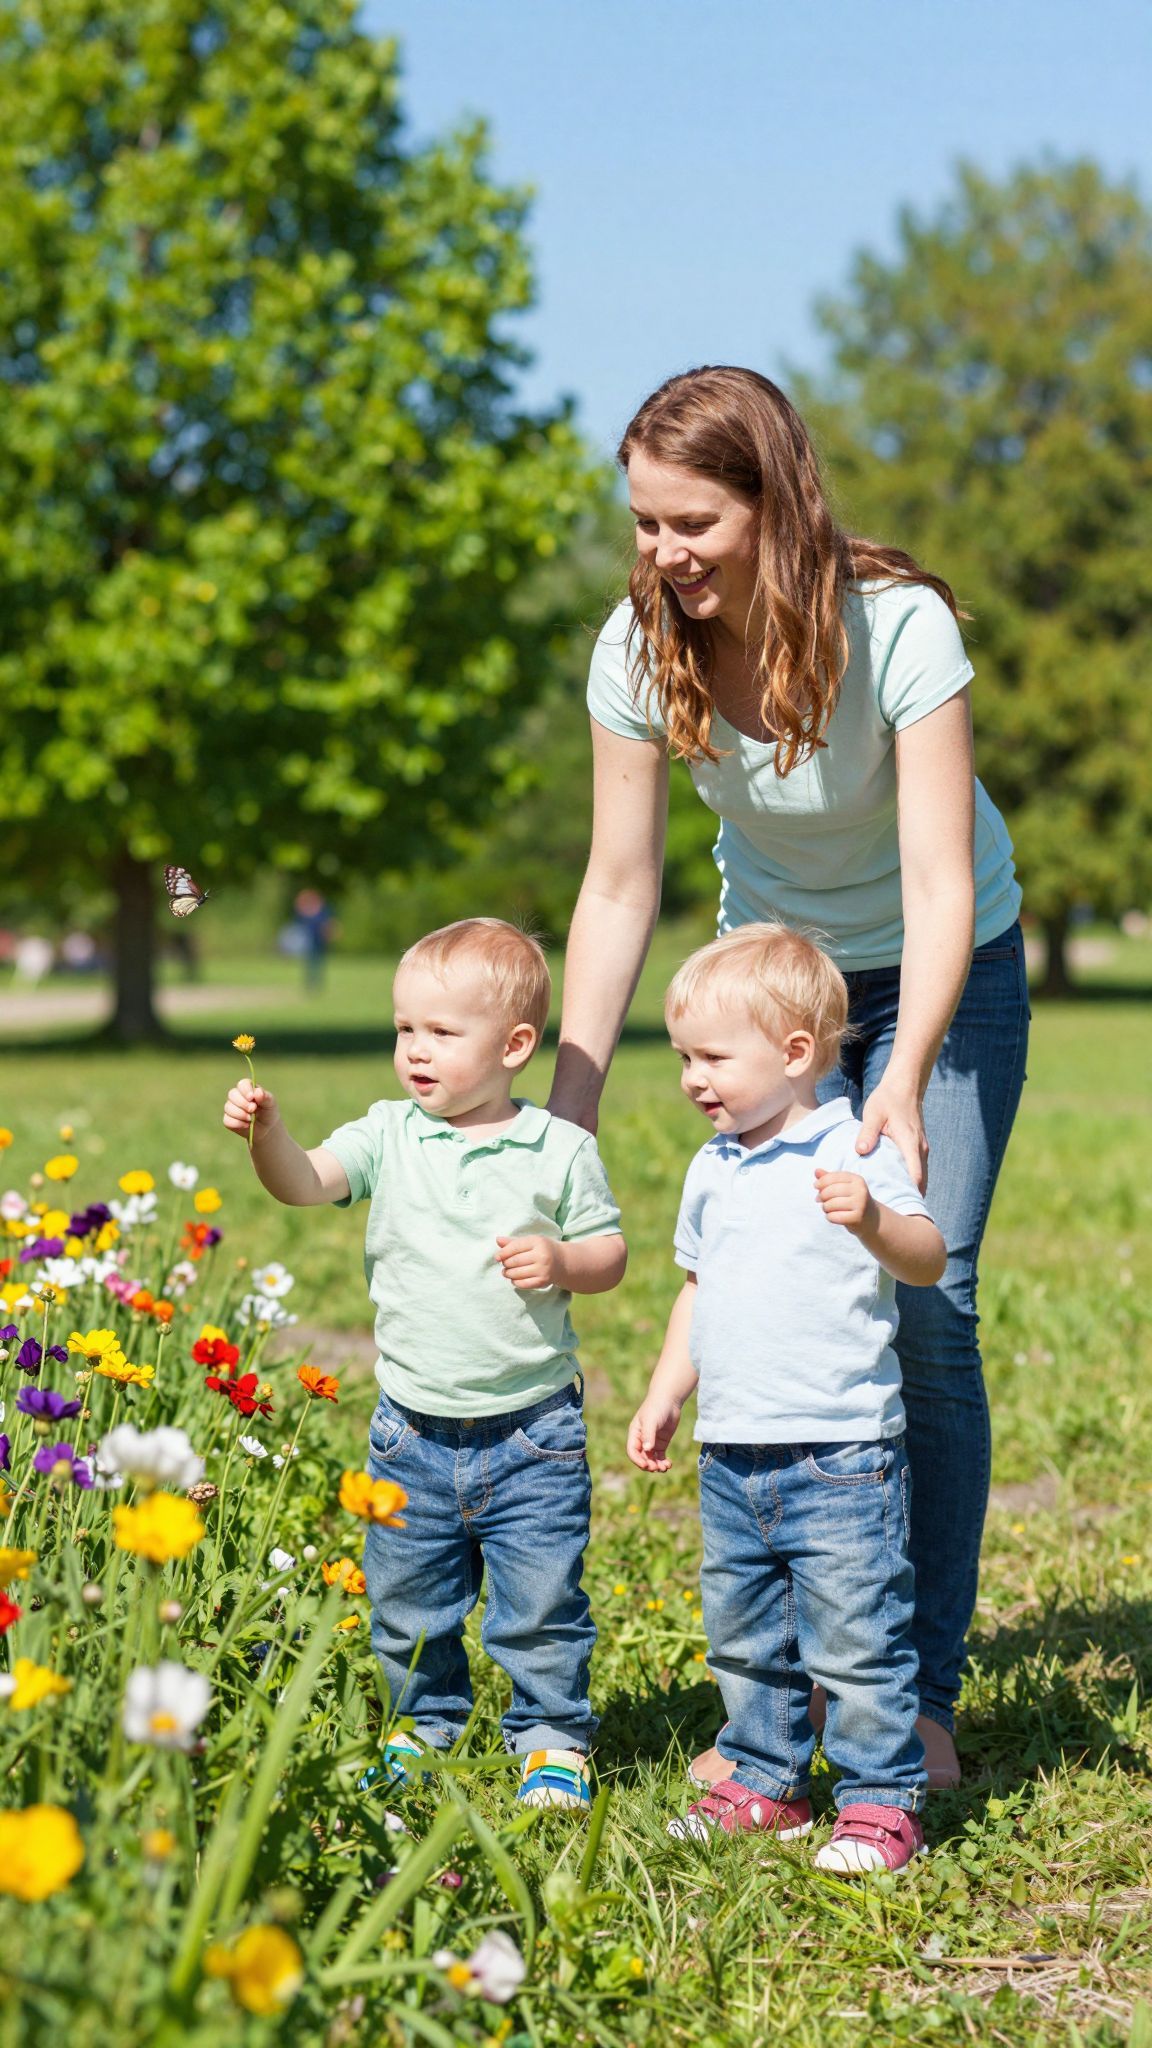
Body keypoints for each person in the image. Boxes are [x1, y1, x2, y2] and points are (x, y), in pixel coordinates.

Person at [550, 366, 1029, 1789]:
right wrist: (568, 1109)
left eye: (691, 521)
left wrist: (907, 1072)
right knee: (755, 1285)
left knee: (930, 1302)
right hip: (775, 983)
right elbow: (619, 885)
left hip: (949, 966)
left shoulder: (898, 630)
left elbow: (942, 882)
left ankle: (918, 1697)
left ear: (776, 500)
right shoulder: (640, 652)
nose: (663, 554)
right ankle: (794, 1687)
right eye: (643, 524)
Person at [222, 917, 627, 1810]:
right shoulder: (388, 1134)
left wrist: (562, 1262)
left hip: (533, 1431)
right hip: (410, 1430)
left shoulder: (558, 1147)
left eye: (443, 1033)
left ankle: (551, 1737)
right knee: (409, 1605)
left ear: (516, 1046)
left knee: (541, 1605)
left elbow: (610, 1256)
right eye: (406, 1028)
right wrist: (267, 1136)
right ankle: (420, 1726)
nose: (416, 1050)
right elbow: (304, 1181)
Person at [629, 927, 946, 1871]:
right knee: (746, 1638)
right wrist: (662, 1393)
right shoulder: (711, 1168)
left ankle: (882, 1802)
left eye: (713, 1056)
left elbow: (927, 1260)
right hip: (732, 1454)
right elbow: (699, 1288)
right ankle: (765, 1783)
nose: (692, 1076)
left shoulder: (854, 1145)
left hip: (839, 1453)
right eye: (683, 1055)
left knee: (856, 1638)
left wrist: (876, 1217)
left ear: (797, 1054)